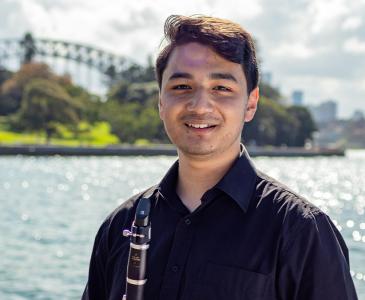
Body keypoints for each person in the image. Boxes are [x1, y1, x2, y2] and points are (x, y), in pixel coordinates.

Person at [82, 15, 358, 300]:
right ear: (161, 103)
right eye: (181, 87)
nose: (200, 106)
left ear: (250, 104)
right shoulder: (120, 226)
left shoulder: (301, 231)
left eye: (222, 88)